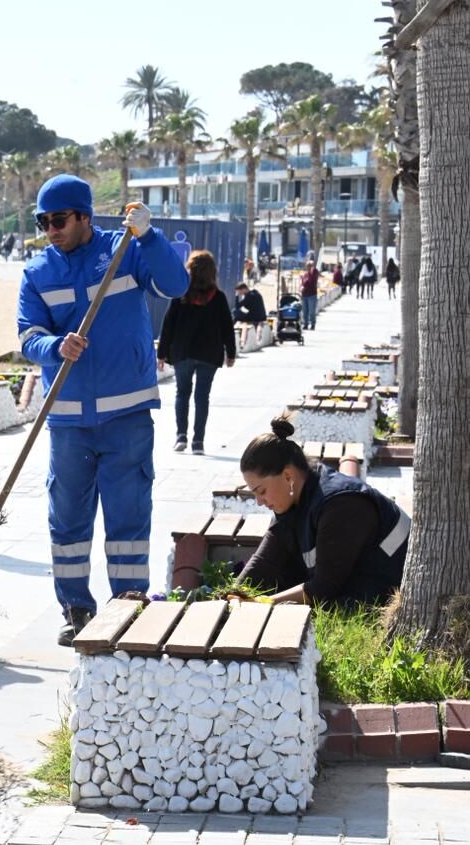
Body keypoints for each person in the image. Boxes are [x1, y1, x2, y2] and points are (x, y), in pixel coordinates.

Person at [16, 176, 187, 646]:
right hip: (68, 420)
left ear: (85, 217)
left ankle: (128, 607)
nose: (51, 229)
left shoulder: (125, 251)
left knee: (128, 516)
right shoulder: (37, 273)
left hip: (127, 414)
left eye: (59, 220)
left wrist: (149, 236)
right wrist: (55, 345)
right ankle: (76, 609)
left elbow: (176, 284)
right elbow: (28, 336)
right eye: (43, 221)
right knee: (67, 518)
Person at [236, 417, 409, 606]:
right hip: (356, 587)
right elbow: (265, 561)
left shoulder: (341, 504)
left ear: (287, 475)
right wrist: (235, 593)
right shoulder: (296, 496)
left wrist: (262, 602)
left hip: (386, 594)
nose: (260, 502)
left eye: (261, 491)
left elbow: (323, 588)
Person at [157, 250, 236, 455]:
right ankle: (198, 442)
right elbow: (227, 326)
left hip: (183, 352)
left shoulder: (181, 295)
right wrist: (231, 353)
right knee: (202, 397)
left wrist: (161, 353)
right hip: (209, 354)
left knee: (182, 393)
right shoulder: (217, 297)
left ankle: (181, 436)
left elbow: (168, 325)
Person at [301, 258, 321, 331]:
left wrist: (304, 284)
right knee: (305, 311)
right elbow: (303, 283)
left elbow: (311, 282)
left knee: (311, 311)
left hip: (312, 294)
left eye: (310, 265)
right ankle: (305, 324)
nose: (308, 267)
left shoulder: (314, 273)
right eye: (308, 266)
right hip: (304, 294)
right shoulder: (305, 274)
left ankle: (312, 324)